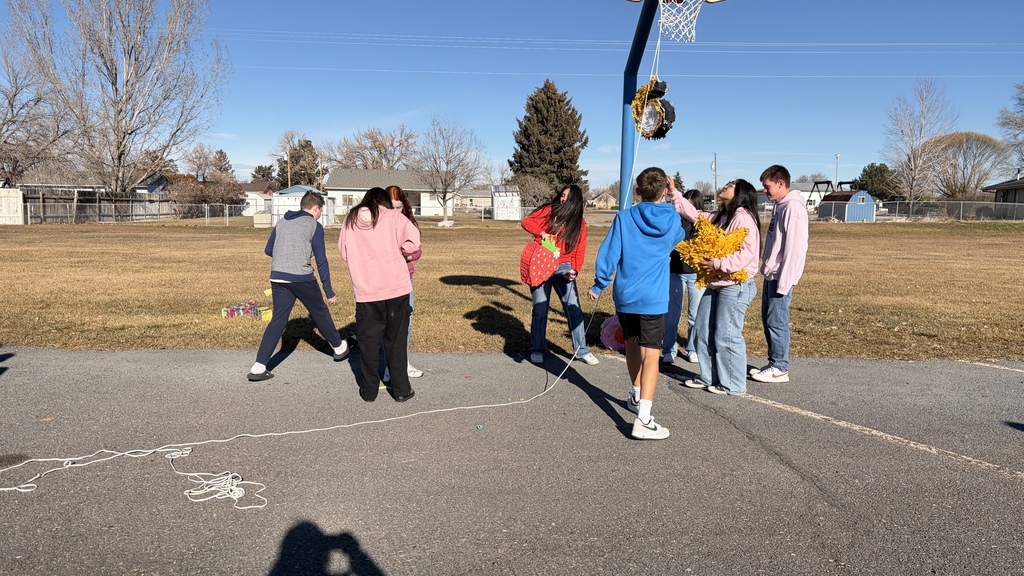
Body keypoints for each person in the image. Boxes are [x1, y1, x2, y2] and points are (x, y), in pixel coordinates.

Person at [588, 167, 685, 440]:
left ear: (638, 191)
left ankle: (635, 393)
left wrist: (599, 284)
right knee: (652, 354)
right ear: (665, 190)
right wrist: (674, 194)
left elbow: (609, 253)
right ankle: (644, 418)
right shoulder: (672, 220)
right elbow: (679, 237)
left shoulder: (624, 217)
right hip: (653, 298)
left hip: (627, 295)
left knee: (631, 342)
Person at [670, 179, 761, 396]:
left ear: (740, 192)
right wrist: (674, 193)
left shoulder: (743, 218)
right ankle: (708, 376)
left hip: (736, 285)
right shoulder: (722, 216)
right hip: (716, 283)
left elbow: (746, 254)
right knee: (702, 329)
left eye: (730, 185)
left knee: (727, 335)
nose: (725, 186)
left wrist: (717, 263)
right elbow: (696, 216)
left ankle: (733, 384)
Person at [248, 191, 348, 382]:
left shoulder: (282, 223)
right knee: (320, 312)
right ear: (315, 208)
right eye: (320, 211)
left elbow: (269, 249)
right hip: (301, 277)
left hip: (277, 277)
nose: (320, 215)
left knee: (278, 320)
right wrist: (329, 290)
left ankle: (259, 366)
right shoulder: (314, 225)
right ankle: (339, 347)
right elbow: (321, 260)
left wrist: (286, 254)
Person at [339, 187, 421, 402]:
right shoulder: (394, 217)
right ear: (384, 202)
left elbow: (343, 252)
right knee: (396, 342)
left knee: (368, 344)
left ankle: (369, 391)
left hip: (367, 291)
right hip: (397, 288)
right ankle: (401, 390)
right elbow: (413, 243)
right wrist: (401, 252)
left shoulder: (350, 220)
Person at [522, 184, 599, 366]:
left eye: (567, 197)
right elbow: (527, 222)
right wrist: (541, 233)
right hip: (541, 262)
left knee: (573, 308)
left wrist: (575, 270)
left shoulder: (579, 223)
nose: (563, 199)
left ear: (575, 201)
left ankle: (582, 350)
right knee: (540, 308)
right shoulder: (549, 210)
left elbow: (579, 250)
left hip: (564, 266)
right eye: (562, 195)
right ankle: (538, 349)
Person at [750, 165, 808, 383]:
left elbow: (795, 248)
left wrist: (785, 281)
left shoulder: (793, 207)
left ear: (781, 183)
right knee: (768, 319)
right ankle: (774, 361)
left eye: (767, 187)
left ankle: (780, 368)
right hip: (771, 274)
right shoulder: (779, 205)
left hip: (781, 277)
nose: (765, 191)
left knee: (777, 320)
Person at [379, 185, 424, 382]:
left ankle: (401, 363)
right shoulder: (379, 223)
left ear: (404, 206)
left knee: (405, 325)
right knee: (387, 326)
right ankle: (390, 366)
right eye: (391, 207)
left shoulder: (409, 223)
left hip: (406, 279)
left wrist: (406, 254)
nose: (395, 211)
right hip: (383, 280)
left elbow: (418, 251)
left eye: (398, 207)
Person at [661, 189, 706, 365]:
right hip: (675, 271)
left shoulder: (702, 223)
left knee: (695, 314)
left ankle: (692, 348)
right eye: (684, 203)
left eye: (691, 204)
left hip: (696, 274)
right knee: (673, 313)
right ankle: (669, 348)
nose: (687, 207)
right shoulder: (675, 222)